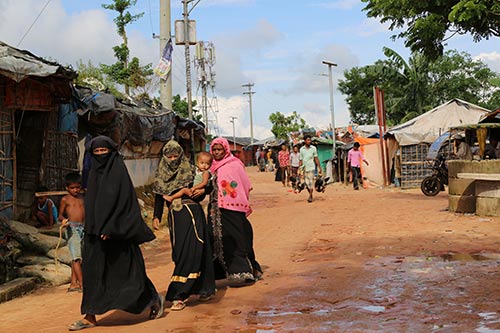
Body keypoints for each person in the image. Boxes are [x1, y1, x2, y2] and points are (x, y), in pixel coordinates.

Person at [69, 136, 163, 331]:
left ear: (111, 152)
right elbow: (94, 204)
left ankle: (153, 300)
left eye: (104, 151)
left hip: (118, 234)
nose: (100, 155)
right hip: (95, 234)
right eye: (96, 152)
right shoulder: (93, 174)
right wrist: (96, 227)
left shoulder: (119, 172)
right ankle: (90, 316)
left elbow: (125, 203)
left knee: (129, 275)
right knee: (93, 273)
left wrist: (111, 227)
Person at [152, 140, 215, 311]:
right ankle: (192, 288)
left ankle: (180, 295)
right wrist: (156, 216)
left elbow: (206, 185)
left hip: (193, 214)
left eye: (175, 156)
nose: (173, 159)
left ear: (181, 156)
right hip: (175, 216)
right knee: (180, 253)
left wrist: (204, 190)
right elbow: (159, 195)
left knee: (195, 250)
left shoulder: (190, 170)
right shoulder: (161, 174)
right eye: (169, 156)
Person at [208, 137, 262, 287]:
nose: (217, 153)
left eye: (220, 149)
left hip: (233, 208)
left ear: (225, 149)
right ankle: (220, 272)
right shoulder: (210, 166)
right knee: (217, 239)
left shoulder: (234, 164)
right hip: (215, 209)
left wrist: (237, 198)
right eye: (214, 150)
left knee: (237, 237)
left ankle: (243, 271)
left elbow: (244, 184)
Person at [58, 173, 85, 293]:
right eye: (72, 188)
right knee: (76, 258)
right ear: (67, 188)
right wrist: (63, 220)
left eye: (78, 187)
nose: (75, 190)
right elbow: (60, 215)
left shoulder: (83, 197)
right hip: (72, 228)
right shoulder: (65, 199)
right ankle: (83, 285)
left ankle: (73, 284)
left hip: (83, 228)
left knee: (79, 257)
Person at [299, 135, 322, 203]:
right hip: (304, 168)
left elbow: (316, 158)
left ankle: (310, 196)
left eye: (310, 140)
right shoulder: (301, 149)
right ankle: (310, 194)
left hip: (311, 167)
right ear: (305, 141)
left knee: (311, 182)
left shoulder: (313, 148)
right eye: (308, 140)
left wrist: (319, 167)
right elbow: (300, 160)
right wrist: (299, 168)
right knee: (306, 183)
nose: (309, 141)